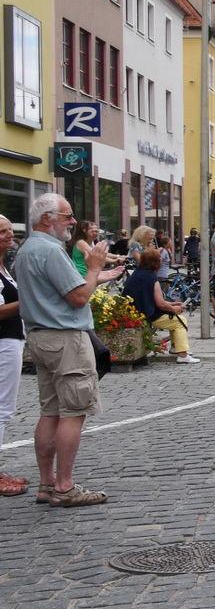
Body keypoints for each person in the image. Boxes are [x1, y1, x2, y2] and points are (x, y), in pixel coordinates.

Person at [16, 194, 125, 507]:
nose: (73, 222)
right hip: (65, 338)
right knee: (73, 411)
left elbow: (58, 291)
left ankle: (47, 484)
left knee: (50, 411)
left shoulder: (27, 249)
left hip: (40, 336)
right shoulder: (50, 250)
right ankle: (64, 487)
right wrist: (93, 268)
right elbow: (78, 298)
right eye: (67, 216)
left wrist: (94, 275)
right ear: (47, 217)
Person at [122, 248, 201, 362]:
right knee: (180, 321)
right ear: (155, 262)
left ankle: (176, 347)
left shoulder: (138, 274)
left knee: (176, 320)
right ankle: (183, 355)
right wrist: (174, 309)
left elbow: (151, 298)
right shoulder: (151, 278)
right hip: (147, 314)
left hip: (137, 311)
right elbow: (160, 303)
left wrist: (172, 304)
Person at [0, 218, 27, 496]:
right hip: (3, 341)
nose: (10, 234)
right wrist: (28, 298)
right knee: (1, 410)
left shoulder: (3, 266)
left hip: (10, 339)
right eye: (2, 231)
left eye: (9, 229)